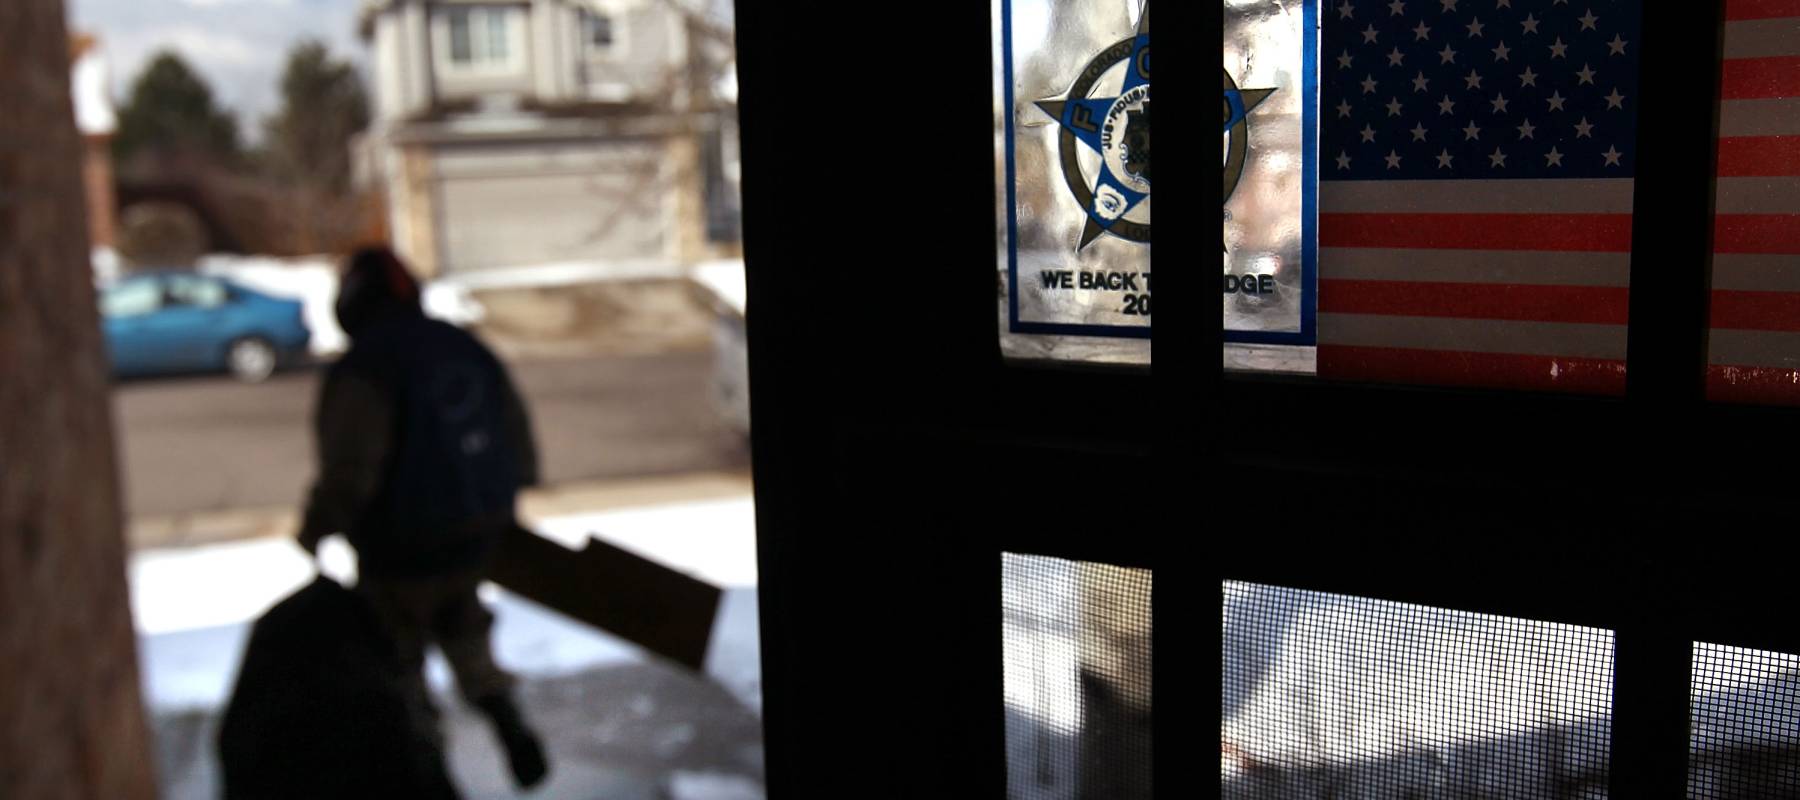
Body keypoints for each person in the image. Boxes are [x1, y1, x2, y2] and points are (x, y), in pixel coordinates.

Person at [298, 245, 549, 790]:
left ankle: (428, 774)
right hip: (477, 539)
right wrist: (500, 510)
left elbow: (351, 467)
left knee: (400, 672)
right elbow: (517, 440)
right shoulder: (463, 347)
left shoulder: (366, 366)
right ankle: (507, 722)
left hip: (400, 552)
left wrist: (317, 529)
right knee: (467, 636)